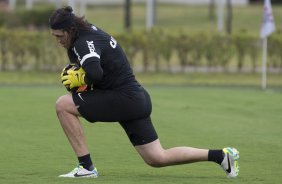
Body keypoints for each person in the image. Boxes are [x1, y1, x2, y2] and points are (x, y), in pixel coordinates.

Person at [49, 6, 239, 179]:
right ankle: (221, 156)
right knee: (157, 157)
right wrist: (82, 83)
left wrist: (81, 79)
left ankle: (86, 167)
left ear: (70, 29)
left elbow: (96, 74)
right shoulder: (86, 32)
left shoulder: (83, 41)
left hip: (124, 98)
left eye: (59, 36)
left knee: (63, 105)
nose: (57, 41)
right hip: (135, 99)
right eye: (54, 36)